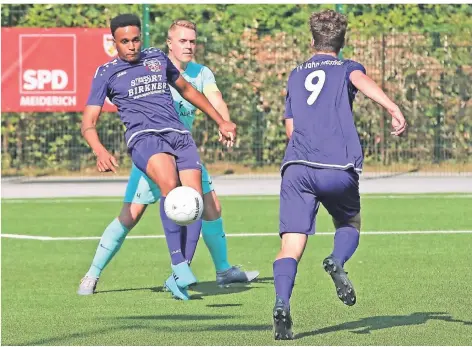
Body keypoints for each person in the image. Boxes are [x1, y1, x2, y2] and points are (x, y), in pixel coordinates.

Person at [78, 16, 258, 300]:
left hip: (178, 135)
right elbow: (88, 121)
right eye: (125, 41)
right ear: (114, 42)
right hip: (145, 138)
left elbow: (188, 90)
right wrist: (100, 150)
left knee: (195, 203)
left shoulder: (157, 58)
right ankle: (170, 265)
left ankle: (183, 274)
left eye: (136, 39)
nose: (132, 45)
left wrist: (221, 121)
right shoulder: (107, 72)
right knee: (161, 196)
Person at [272, 10, 407, 340]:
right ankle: (336, 260)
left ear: (312, 40)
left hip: (297, 168)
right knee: (350, 223)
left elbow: (290, 130)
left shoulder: (294, 74)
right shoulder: (347, 68)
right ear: (342, 43)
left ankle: (281, 303)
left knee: (291, 244)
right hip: (337, 167)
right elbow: (362, 83)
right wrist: (393, 109)